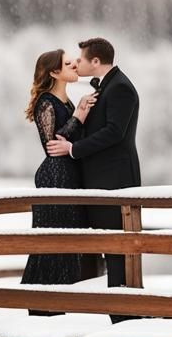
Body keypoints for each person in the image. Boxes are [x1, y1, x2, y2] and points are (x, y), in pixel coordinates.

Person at [45, 37, 141, 289]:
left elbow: (114, 132)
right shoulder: (105, 87)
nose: (77, 63)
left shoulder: (120, 87)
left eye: (80, 59)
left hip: (114, 180)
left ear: (95, 61)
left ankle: (122, 310)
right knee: (108, 245)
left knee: (116, 247)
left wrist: (73, 149)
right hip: (101, 180)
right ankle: (117, 307)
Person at [19, 49, 96, 301]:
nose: (75, 64)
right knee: (51, 241)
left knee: (68, 242)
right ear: (54, 72)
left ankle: (60, 301)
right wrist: (79, 116)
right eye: (67, 63)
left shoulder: (67, 102)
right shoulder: (46, 102)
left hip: (69, 175)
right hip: (54, 177)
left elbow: (69, 139)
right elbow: (53, 144)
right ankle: (37, 301)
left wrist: (79, 113)